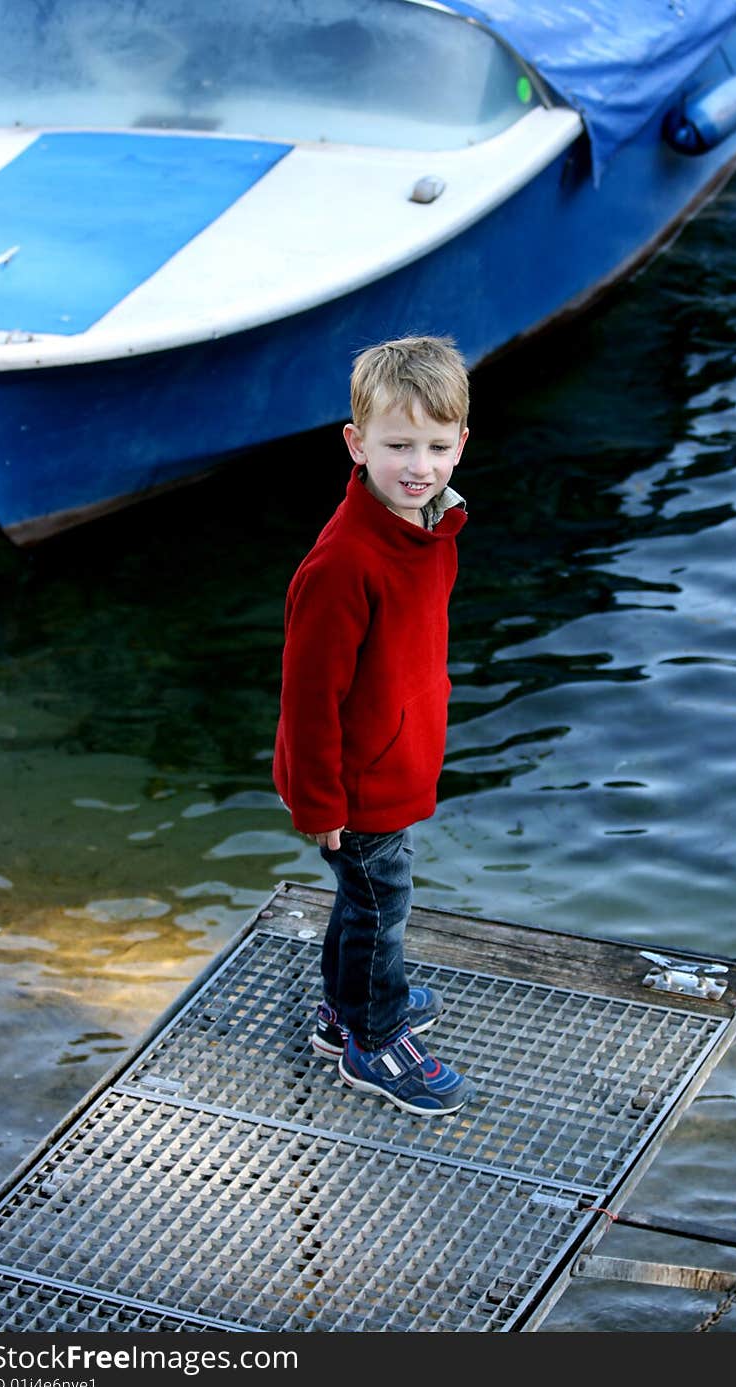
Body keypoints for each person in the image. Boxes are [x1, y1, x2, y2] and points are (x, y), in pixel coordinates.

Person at [273, 334, 473, 1117]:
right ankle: (374, 1038)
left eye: (434, 445)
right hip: (355, 783)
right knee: (383, 905)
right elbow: (309, 698)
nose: (417, 465)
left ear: (461, 443)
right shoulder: (343, 565)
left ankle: (340, 1012)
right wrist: (320, 806)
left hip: (395, 759)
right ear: (357, 444)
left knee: (365, 902)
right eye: (397, 446)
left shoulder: (428, 526)